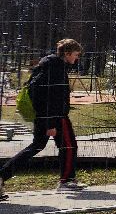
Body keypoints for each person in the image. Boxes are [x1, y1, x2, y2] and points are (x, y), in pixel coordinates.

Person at [2, 38, 84, 200]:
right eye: (75, 54)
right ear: (67, 54)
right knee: (69, 147)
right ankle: (66, 180)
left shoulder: (47, 66)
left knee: (38, 146)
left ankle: (3, 175)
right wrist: (50, 123)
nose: (77, 58)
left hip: (45, 116)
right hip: (55, 117)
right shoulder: (55, 70)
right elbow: (50, 99)